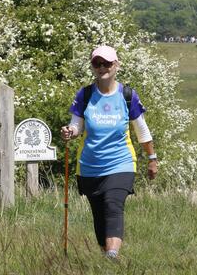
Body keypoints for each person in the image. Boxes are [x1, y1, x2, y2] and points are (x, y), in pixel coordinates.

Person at [61, 45, 158, 259]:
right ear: (93, 67)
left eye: (107, 63)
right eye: (97, 63)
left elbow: (141, 129)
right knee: (99, 215)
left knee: (113, 204)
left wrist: (152, 158)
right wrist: (70, 131)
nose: (102, 67)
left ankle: (112, 253)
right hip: (89, 166)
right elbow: (76, 126)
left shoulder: (127, 95)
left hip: (121, 163)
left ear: (117, 65)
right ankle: (106, 258)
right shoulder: (85, 94)